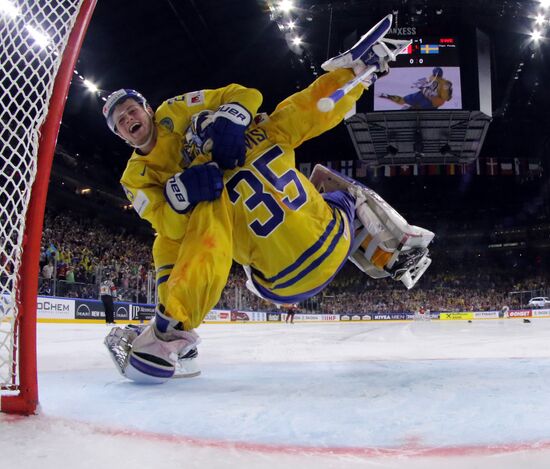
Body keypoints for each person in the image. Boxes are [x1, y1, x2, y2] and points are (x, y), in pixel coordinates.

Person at [103, 14, 434, 383]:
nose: (128, 118)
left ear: (147, 110)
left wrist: (183, 195)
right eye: (120, 120)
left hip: (276, 285)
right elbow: (308, 108)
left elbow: (192, 239)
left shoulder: (193, 171)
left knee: (186, 239)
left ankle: (170, 332)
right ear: (120, 134)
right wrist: (355, 76)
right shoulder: (263, 130)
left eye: (131, 109)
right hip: (333, 243)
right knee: (326, 180)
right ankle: (394, 247)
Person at [380, 66, 453, 109]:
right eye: (434, 74)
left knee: (416, 108)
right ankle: (388, 96)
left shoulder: (444, 84)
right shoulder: (432, 77)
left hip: (430, 102)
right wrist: (422, 86)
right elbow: (425, 85)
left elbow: (444, 98)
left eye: (435, 74)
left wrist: (432, 94)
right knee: (404, 100)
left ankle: (410, 109)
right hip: (422, 95)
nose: (434, 75)